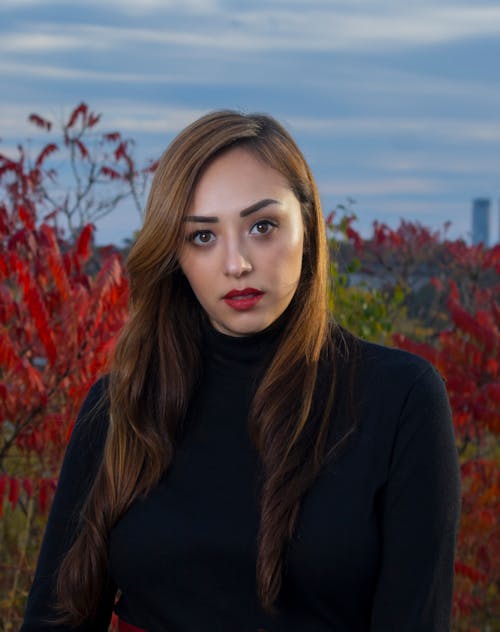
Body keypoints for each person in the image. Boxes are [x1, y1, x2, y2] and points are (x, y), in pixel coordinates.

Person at [21, 110, 461, 632]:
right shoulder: (123, 404)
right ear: (174, 255)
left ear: (309, 227)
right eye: (202, 237)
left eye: (262, 226)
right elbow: (55, 619)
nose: (237, 264)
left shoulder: (400, 399)